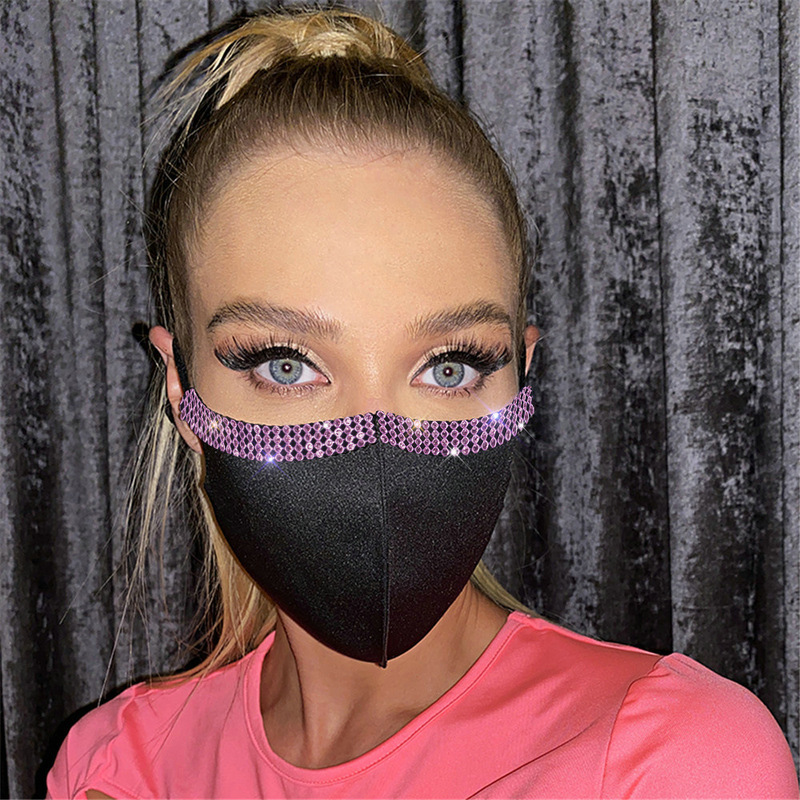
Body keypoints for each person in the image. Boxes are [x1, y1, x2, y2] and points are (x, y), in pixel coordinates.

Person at [46, 6, 798, 799]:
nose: (377, 449)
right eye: (286, 365)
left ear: (521, 374)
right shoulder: (116, 769)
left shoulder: (672, 762)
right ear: (180, 389)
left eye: (448, 367)